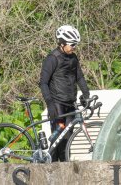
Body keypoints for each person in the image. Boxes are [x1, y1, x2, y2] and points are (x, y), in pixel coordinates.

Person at [39, 25, 90, 161]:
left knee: (67, 142)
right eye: (72, 44)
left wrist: (86, 95)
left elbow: (80, 77)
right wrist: (50, 104)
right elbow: (43, 83)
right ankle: (50, 168)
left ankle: (64, 170)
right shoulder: (52, 58)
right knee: (57, 139)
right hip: (57, 105)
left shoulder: (73, 58)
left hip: (70, 105)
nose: (74, 47)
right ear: (62, 44)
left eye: (76, 45)